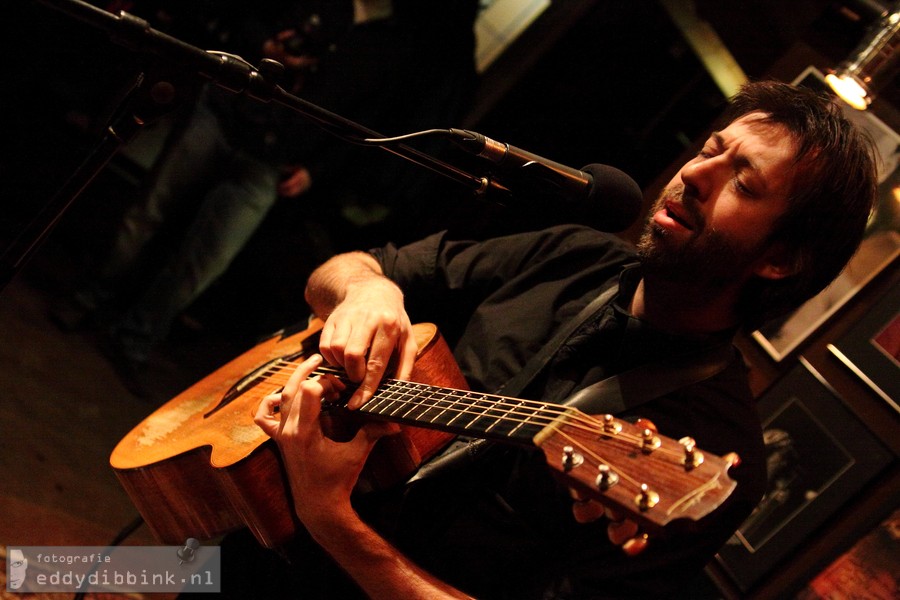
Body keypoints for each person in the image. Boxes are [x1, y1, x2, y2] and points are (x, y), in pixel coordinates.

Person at [245, 80, 877, 599]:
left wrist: (331, 519)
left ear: (782, 260)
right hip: (242, 536)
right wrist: (369, 293)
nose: (694, 174)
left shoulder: (711, 452)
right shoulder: (577, 254)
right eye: (710, 148)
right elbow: (340, 270)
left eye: (743, 181)